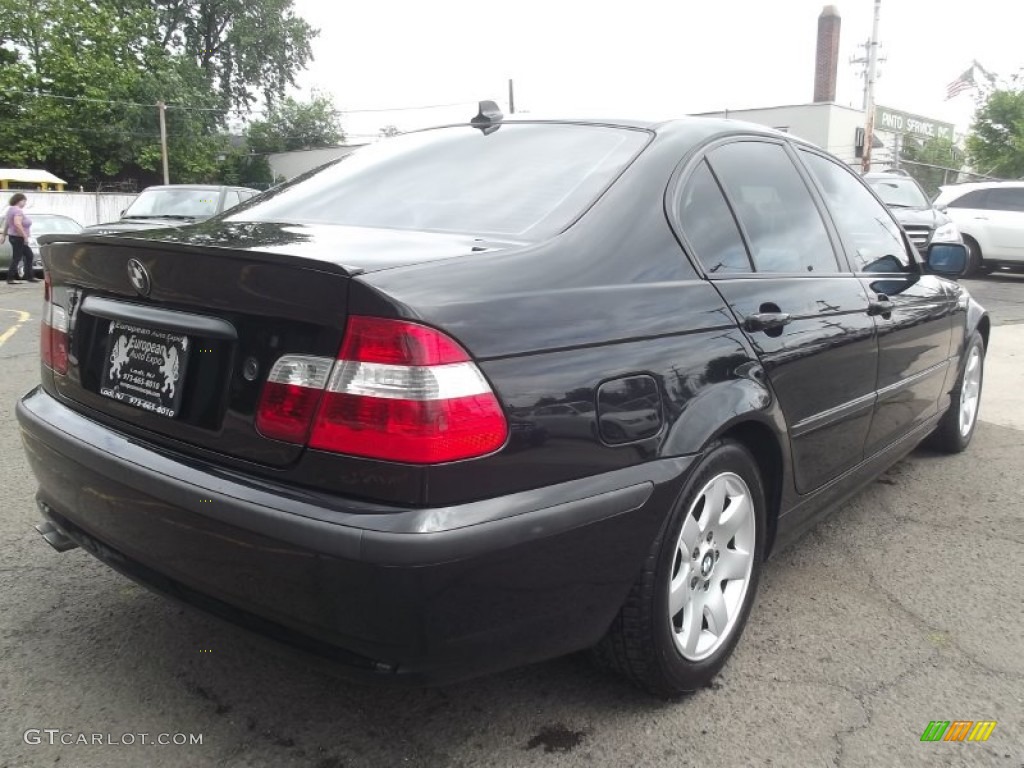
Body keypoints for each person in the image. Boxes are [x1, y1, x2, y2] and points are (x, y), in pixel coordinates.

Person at [5, 193, 39, 285]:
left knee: (29, 255)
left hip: (13, 237)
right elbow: (17, 224)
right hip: (18, 237)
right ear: (19, 201)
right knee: (17, 257)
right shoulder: (18, 211)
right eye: (24, 201)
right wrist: (25, 236)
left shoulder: (10, 210)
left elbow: (7, 224)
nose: (25, 203)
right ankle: (10, 278)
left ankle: (29, 276)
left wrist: (4, 235)